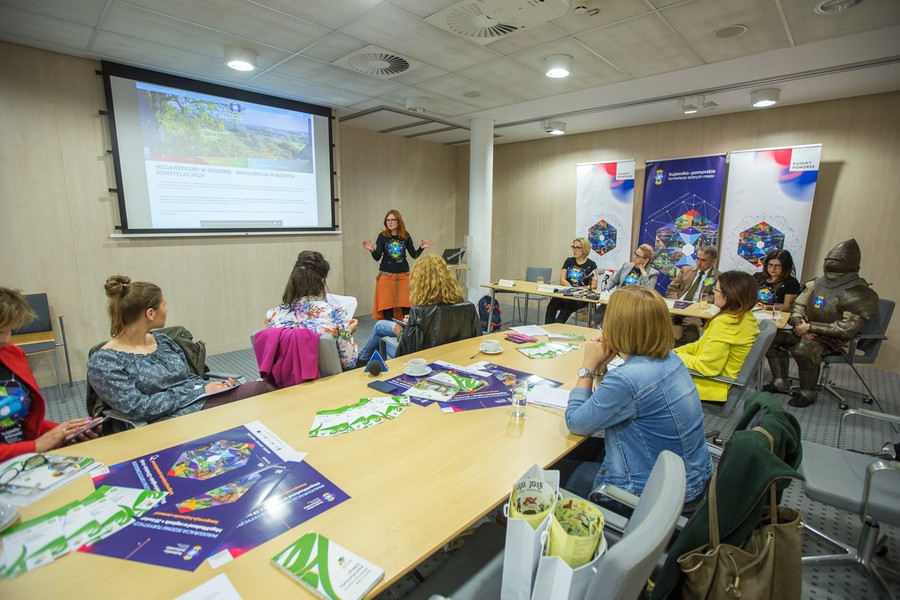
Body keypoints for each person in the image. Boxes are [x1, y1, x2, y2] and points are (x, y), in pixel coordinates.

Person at [560, 286, 712, 503]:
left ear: (617, 327)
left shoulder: (628, 379)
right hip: (690, 477)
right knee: (576, 450)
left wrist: (588, 367)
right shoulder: (671, 359)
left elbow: (576, 423)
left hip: (648, 494)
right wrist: (601, 370)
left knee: (540, 472)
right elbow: (609, 408)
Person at [88, 276, 274, 424]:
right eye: (164, 305)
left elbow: (188, 378)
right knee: (260, 395)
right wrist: (198, 392)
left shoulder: (162, 341)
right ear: (150, 313)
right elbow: (138, 408)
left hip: (199, 400)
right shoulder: (105, 362)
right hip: (170, 419)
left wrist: (216, 387)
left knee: (264, 391)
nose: (166, 310)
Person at [764, 239, 879, 408]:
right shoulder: (815, 284)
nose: (832, 264)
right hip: (804, 330)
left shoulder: (860, 293)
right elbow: (798, 306)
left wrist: (810, 327)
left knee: (803, 350)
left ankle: (807, 392)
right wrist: (800, 325)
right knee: (770, 338)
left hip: (832, 340)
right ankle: (780, 381)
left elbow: (846, 329)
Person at [1, 287, 101, 461]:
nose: (6, 339)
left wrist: (64, 431)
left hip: (25, 460)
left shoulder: (12, 355)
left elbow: (22, 422)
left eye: (9, 331)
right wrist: (36, 446)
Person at [357, 254, 466, 364]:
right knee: (381, 327)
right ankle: (363, 360)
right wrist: (413, 321)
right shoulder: (464, 305)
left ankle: (361, 361)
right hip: (452, 352)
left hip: (421, 357)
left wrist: (400, 333)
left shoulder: (421, 310)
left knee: (380, 326)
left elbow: (412, 346)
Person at [674, 271, 760, 402]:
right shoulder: (745, 317)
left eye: (716, 289)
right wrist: (674, 352)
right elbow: (700, 345)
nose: (713, 292)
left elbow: (707, 367)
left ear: (728, 296)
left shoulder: (726, 323)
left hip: (710, 385)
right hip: (714, 381)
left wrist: (673, 357)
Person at [266, 251, 359, 370]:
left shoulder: (272, 315)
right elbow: (349, 362)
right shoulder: (336, 314)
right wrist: (347, 333)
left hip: (285, 379)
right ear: (322, 281)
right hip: (325, 380)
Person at [362, 210, 434, 321]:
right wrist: (372, 250)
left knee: (406, 307)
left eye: (392, 220)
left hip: (403, 276)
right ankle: (388, 329)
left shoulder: (406, 236)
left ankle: (405, 330)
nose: (390, 222)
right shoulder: (382, 236)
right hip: (386, 276)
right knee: (387, 307)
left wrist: (421, 248)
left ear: (398, 221)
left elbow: (414, 255)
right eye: (388, 220)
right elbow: (377, 257)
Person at [665, 245, 720, 345]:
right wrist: (676, 302)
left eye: (703, 260)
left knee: (691, 335)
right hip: (677, 309)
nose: (699, 263)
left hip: (695, 313)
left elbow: (716, 297)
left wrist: (701, 302)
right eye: (698, 259)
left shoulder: (718, 276)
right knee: (659, 326)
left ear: (713, 261)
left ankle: (677, 351)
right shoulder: (686, 270)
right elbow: (671, 288)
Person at [544, 237, 598, 324]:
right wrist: (572, 289)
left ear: (584, 249)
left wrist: (578, 289)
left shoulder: (592, 265)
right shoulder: (569, 261)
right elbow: (562, 280)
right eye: (573, 247)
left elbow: (594, 285)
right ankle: (548, 327)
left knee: (567, 307)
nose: (574, 250)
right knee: (552, 305)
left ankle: (555, 327)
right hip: (566, 292)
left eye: (578, 247)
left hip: (579, 297)